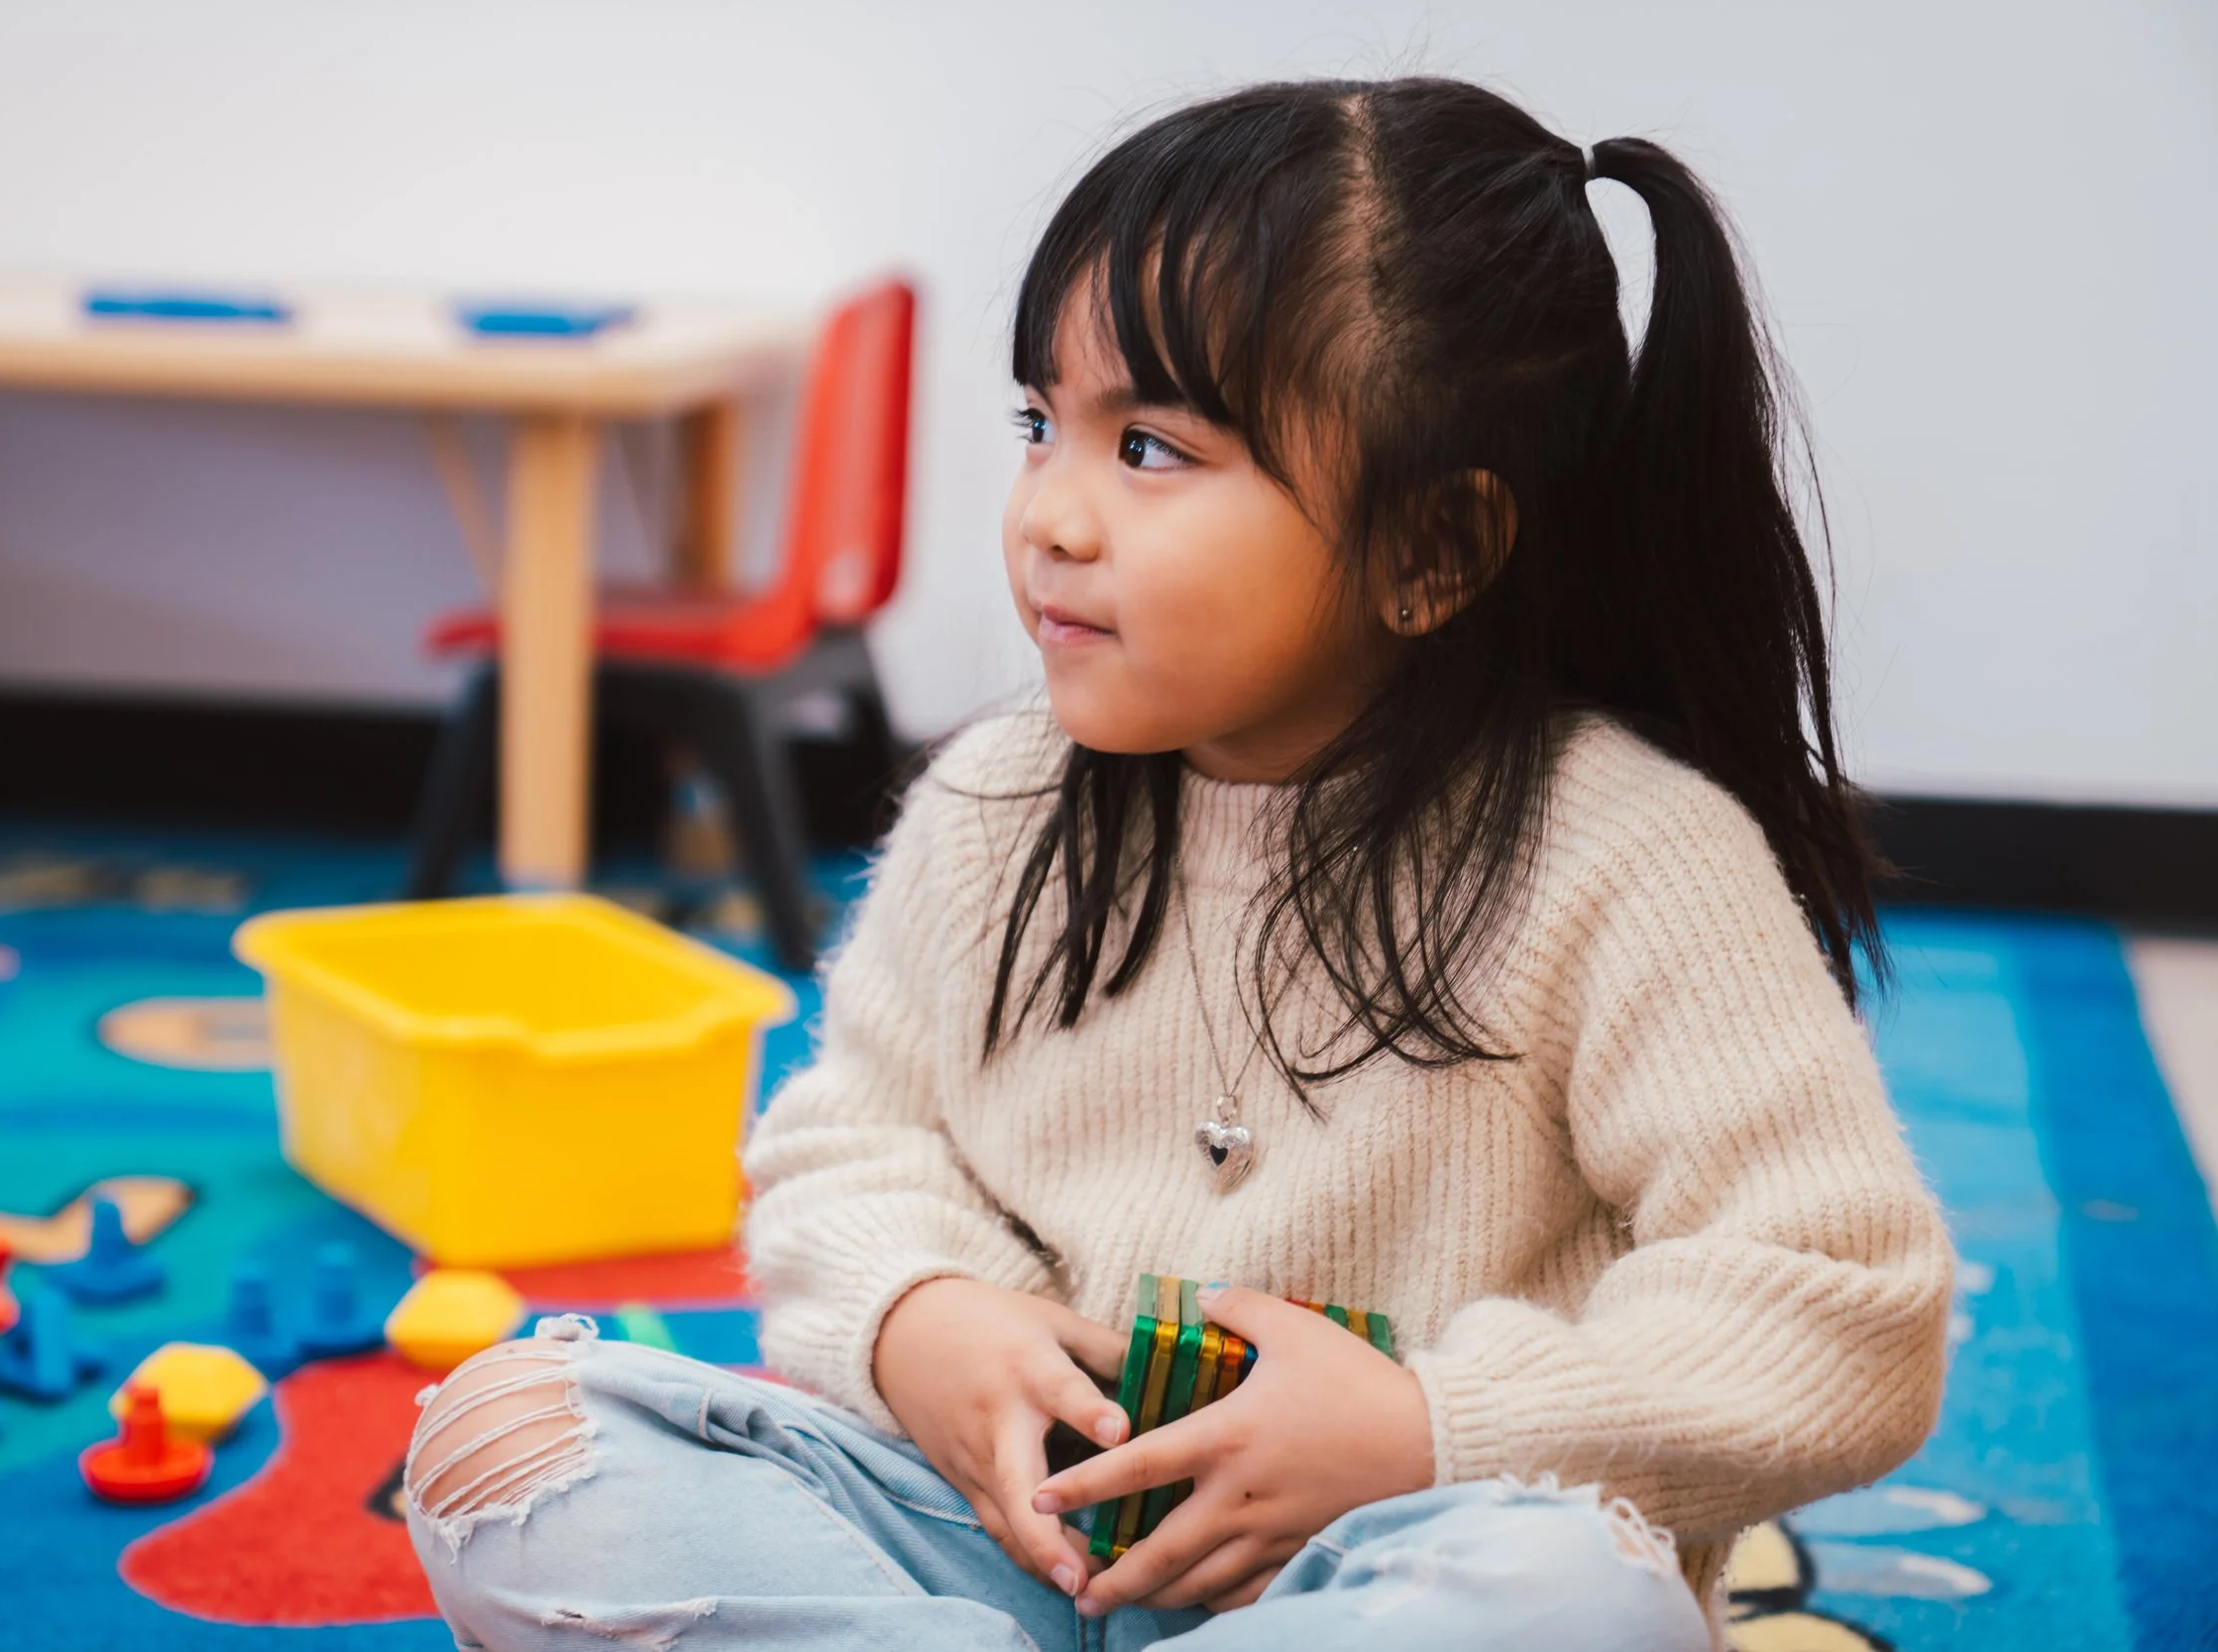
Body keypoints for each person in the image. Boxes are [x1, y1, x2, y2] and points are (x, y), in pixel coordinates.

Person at [401, 75, 1953, 1652]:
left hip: (1387, 1579)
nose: (1049, 516)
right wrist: (923, 1318)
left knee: (1566, 1600)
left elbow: (1844, 1299)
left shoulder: (1630, 857)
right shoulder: (1001, 797)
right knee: (513, 1439)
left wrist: (1430, 1429)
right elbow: (849, 1142)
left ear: (1433, 552)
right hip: (1013, 1550)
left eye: (1148, 445)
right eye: (1039, 425)